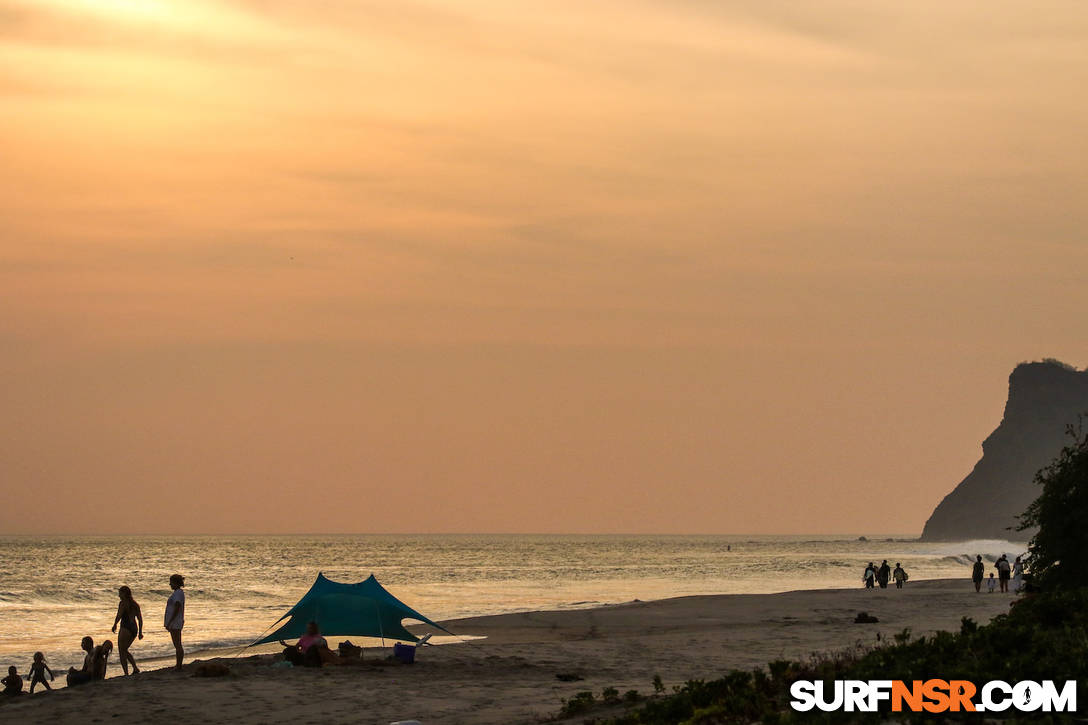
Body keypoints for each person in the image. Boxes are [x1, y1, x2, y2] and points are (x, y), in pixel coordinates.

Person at [112, 585, 144, 675]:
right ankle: (135, 668)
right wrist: (140, 632)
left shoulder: (123, 603)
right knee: (124, 650)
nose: (119, 595)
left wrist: (115, 624)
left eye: (120, 593)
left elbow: (119, 615)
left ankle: (126, 673)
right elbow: (140, 619)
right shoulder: (135, 604)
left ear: (124, 594)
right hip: (134, 628)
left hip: (125, 627)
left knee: (121, 651)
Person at [165, 574, 185, 671]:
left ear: (175, 583)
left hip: (175, 623)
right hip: (176, 622)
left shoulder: (178, 593)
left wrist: (170, 621)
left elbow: (177, 607)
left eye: (171, 582)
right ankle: (178, 665)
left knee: (177, 644)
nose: (170, 584)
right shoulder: (178, 593)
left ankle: (179, 666)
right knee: (177, 644)